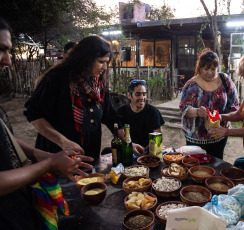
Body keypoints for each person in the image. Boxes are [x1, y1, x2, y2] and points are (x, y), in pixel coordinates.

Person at [0, 18, 93, 229]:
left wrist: (40, 155)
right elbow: (32, 112)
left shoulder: (93, 86)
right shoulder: (54, 79)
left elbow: (6, 138)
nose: (7, 61)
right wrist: (48, 163)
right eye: (1, 50)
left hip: (20, 206)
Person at [24, 35, 144, 161]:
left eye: (106, 62)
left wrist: (127, 141)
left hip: (89, 156)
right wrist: (63, 142)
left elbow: (110, 116)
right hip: (57, 156)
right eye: (101, 62)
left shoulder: (98, 84)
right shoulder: (57, 79)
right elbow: (34, 113)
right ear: (85, 59)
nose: (105, 68)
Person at [179, 50, 239, 159]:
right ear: (200, 68)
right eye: (206, 69)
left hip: (219, 135)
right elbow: (184, 109)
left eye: (213, 69)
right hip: (196, 138)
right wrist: (197, 111)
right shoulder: (191, 85)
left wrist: (228, 119)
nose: (210, 72)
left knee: (217, 164)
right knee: (195, 167)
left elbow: (234, 104)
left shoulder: (225, 80)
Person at [117, 79, 165, 150]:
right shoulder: (120, 112)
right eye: (138, 94)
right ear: (129, 95)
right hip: (127, 150)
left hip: (148, 152)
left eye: (144, 94)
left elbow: (158, 136)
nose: (142, 98)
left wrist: (147, 150)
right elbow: (119, 137)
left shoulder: (153, 112)